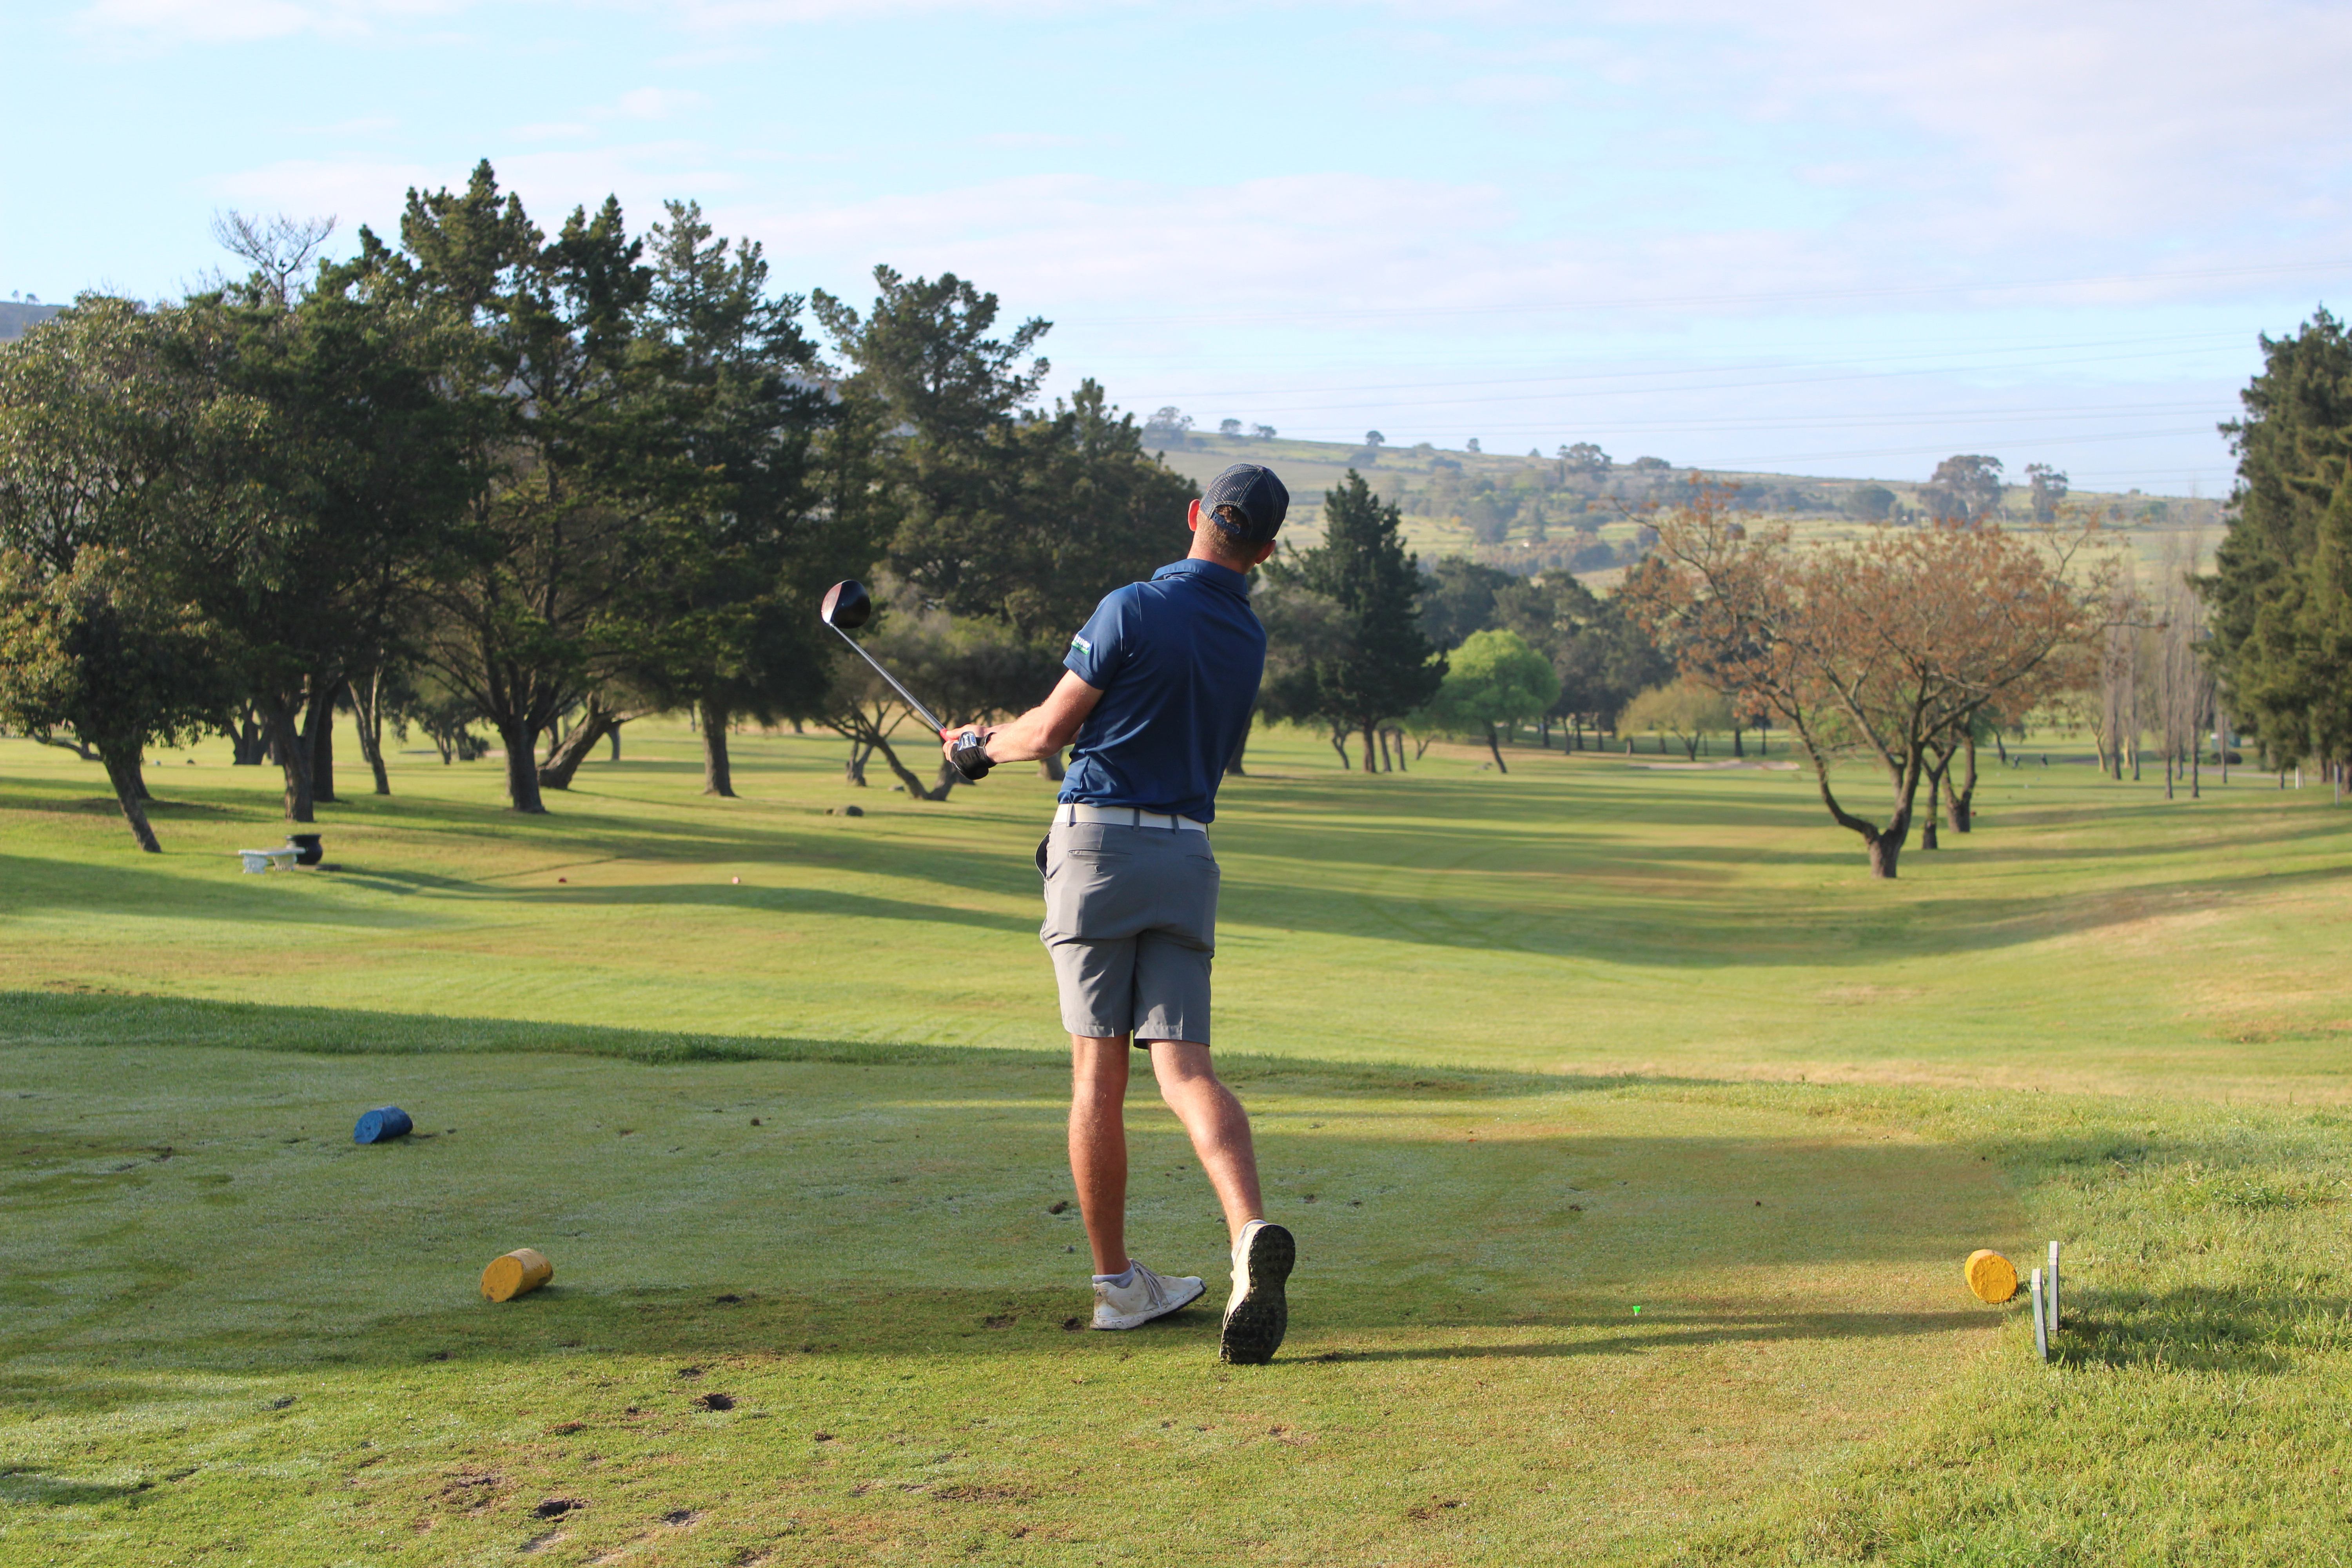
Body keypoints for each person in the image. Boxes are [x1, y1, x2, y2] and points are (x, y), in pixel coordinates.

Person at [942, 463, 1295, 1365]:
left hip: (1098, 847)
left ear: (1193, 516)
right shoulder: (1246, 637)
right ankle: (1247, 1229)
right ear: (1264, 547)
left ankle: (1117, 1287)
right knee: (1185, 1070)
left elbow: (1051, 732)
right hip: (1187, 854)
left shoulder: (1133, 605)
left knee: (1099, 1077)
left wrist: (977, 746)